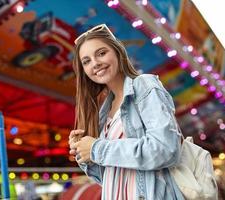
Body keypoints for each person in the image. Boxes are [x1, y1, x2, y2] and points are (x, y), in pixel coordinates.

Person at [69, 24, 183, 200]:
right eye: (87, 61)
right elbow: (108, 177)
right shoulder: (104, 112)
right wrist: (84, 153)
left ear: (117, 52)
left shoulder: (144, 85)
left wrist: (96, 148)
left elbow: (166, 149)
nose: (95, 63)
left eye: (101, 53)